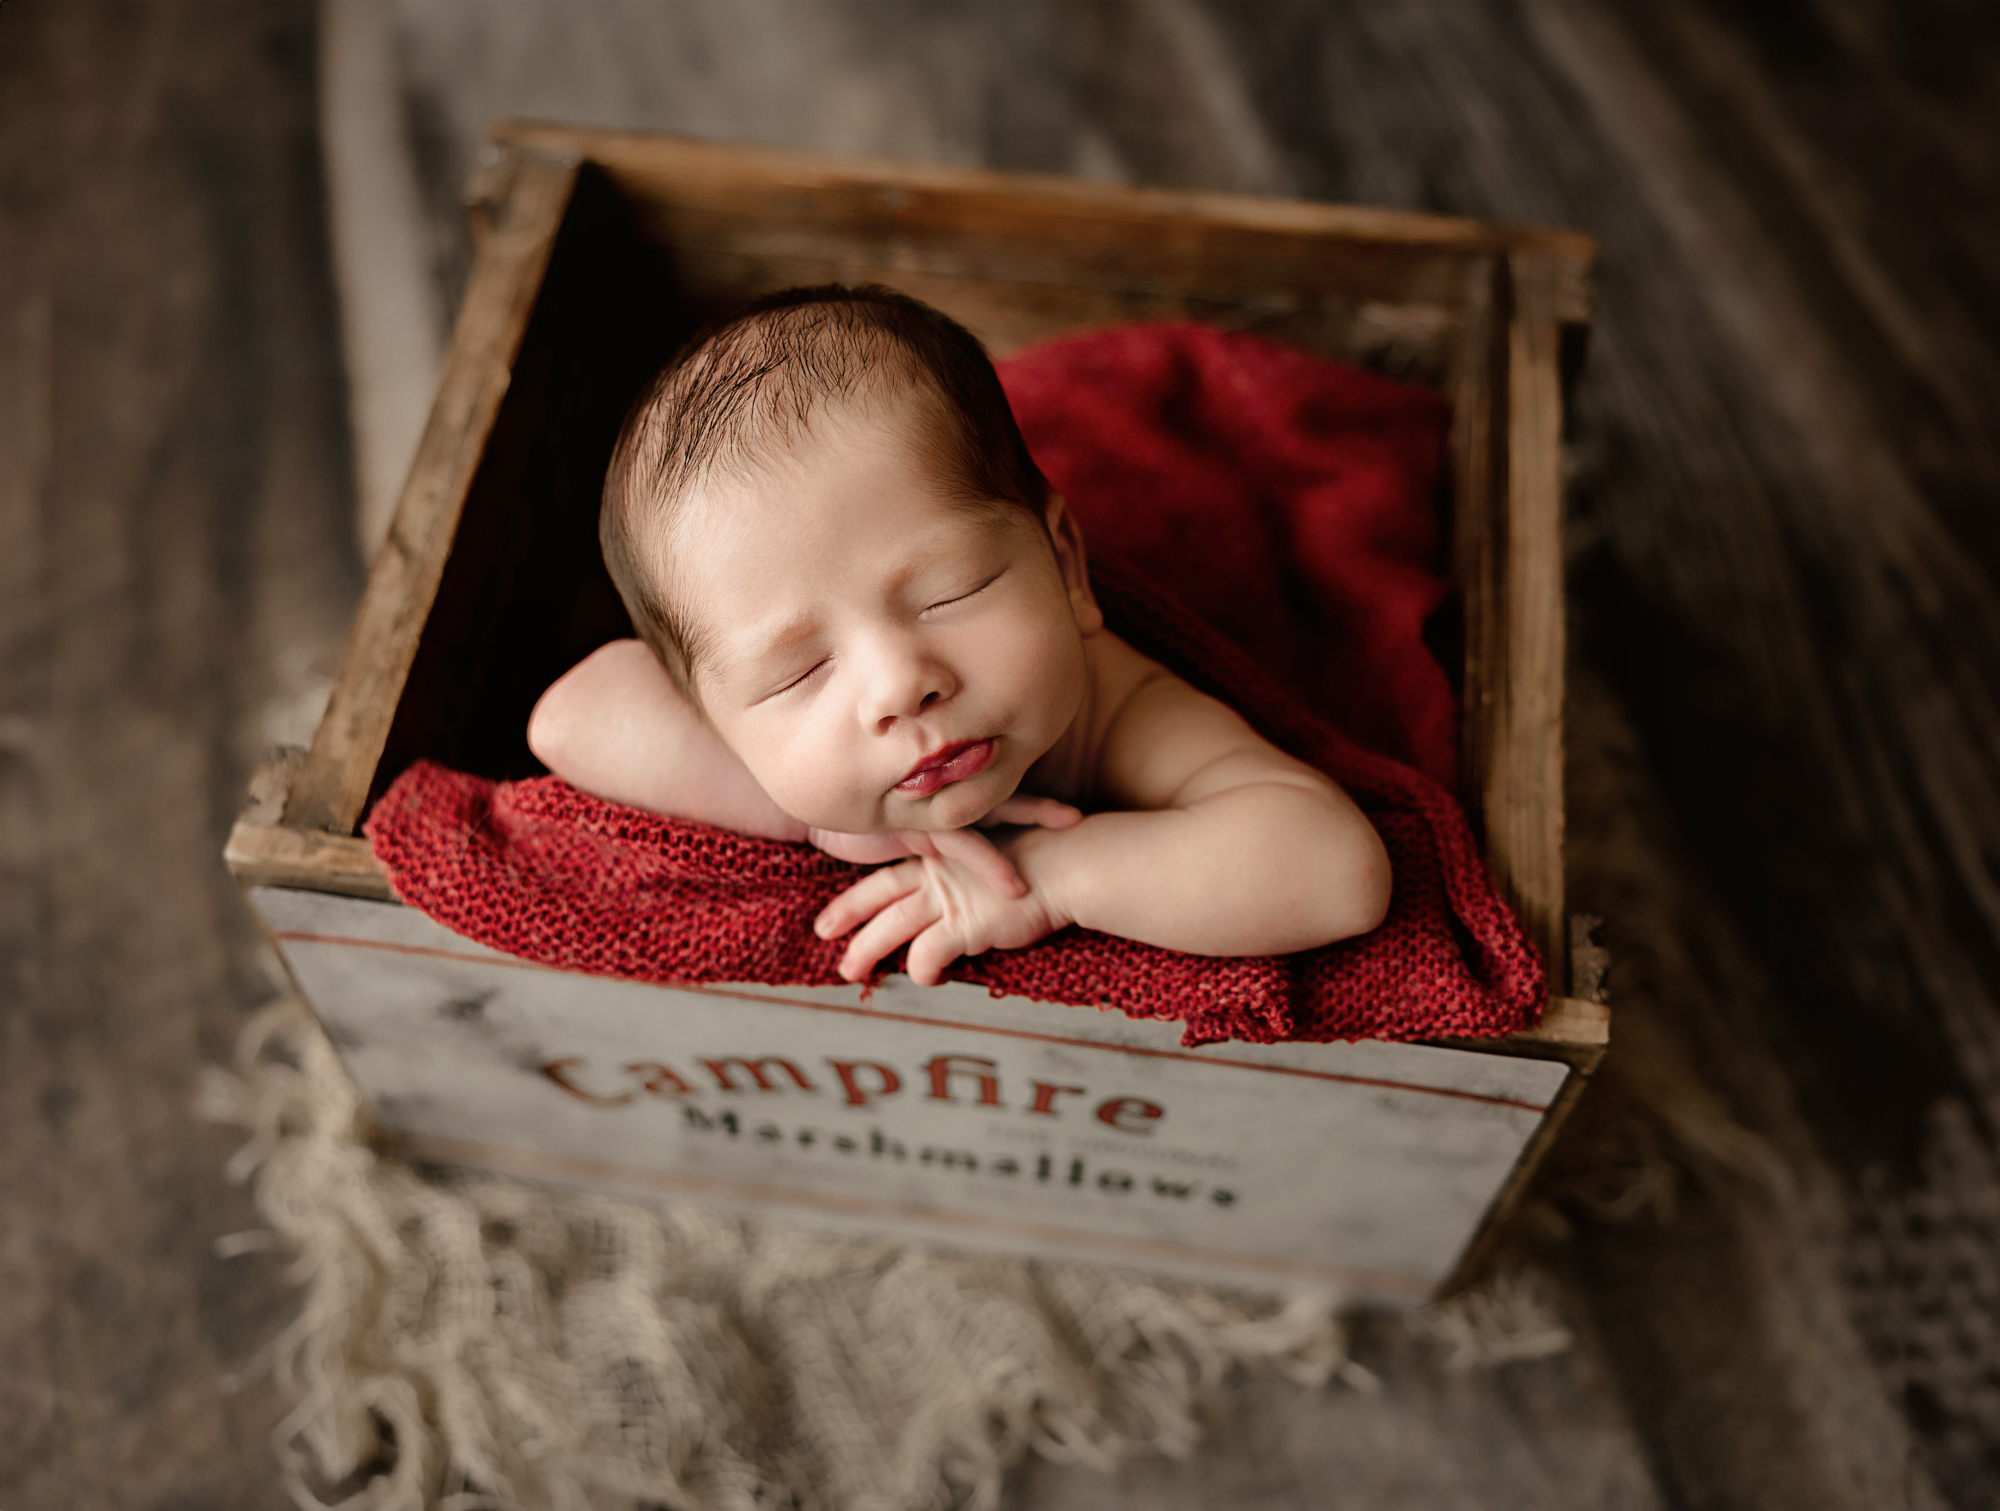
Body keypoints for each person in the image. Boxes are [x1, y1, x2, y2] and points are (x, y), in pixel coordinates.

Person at [528, 285, 1390, 987]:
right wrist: (817, 819)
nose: (900, 683)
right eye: (800, 672)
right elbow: (569, 718)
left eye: (951, 592)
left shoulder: (1116, 703)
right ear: (718, 717)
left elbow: (1333, 868)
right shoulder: (771, 744)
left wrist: (1048, 878)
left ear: (1066, 565)